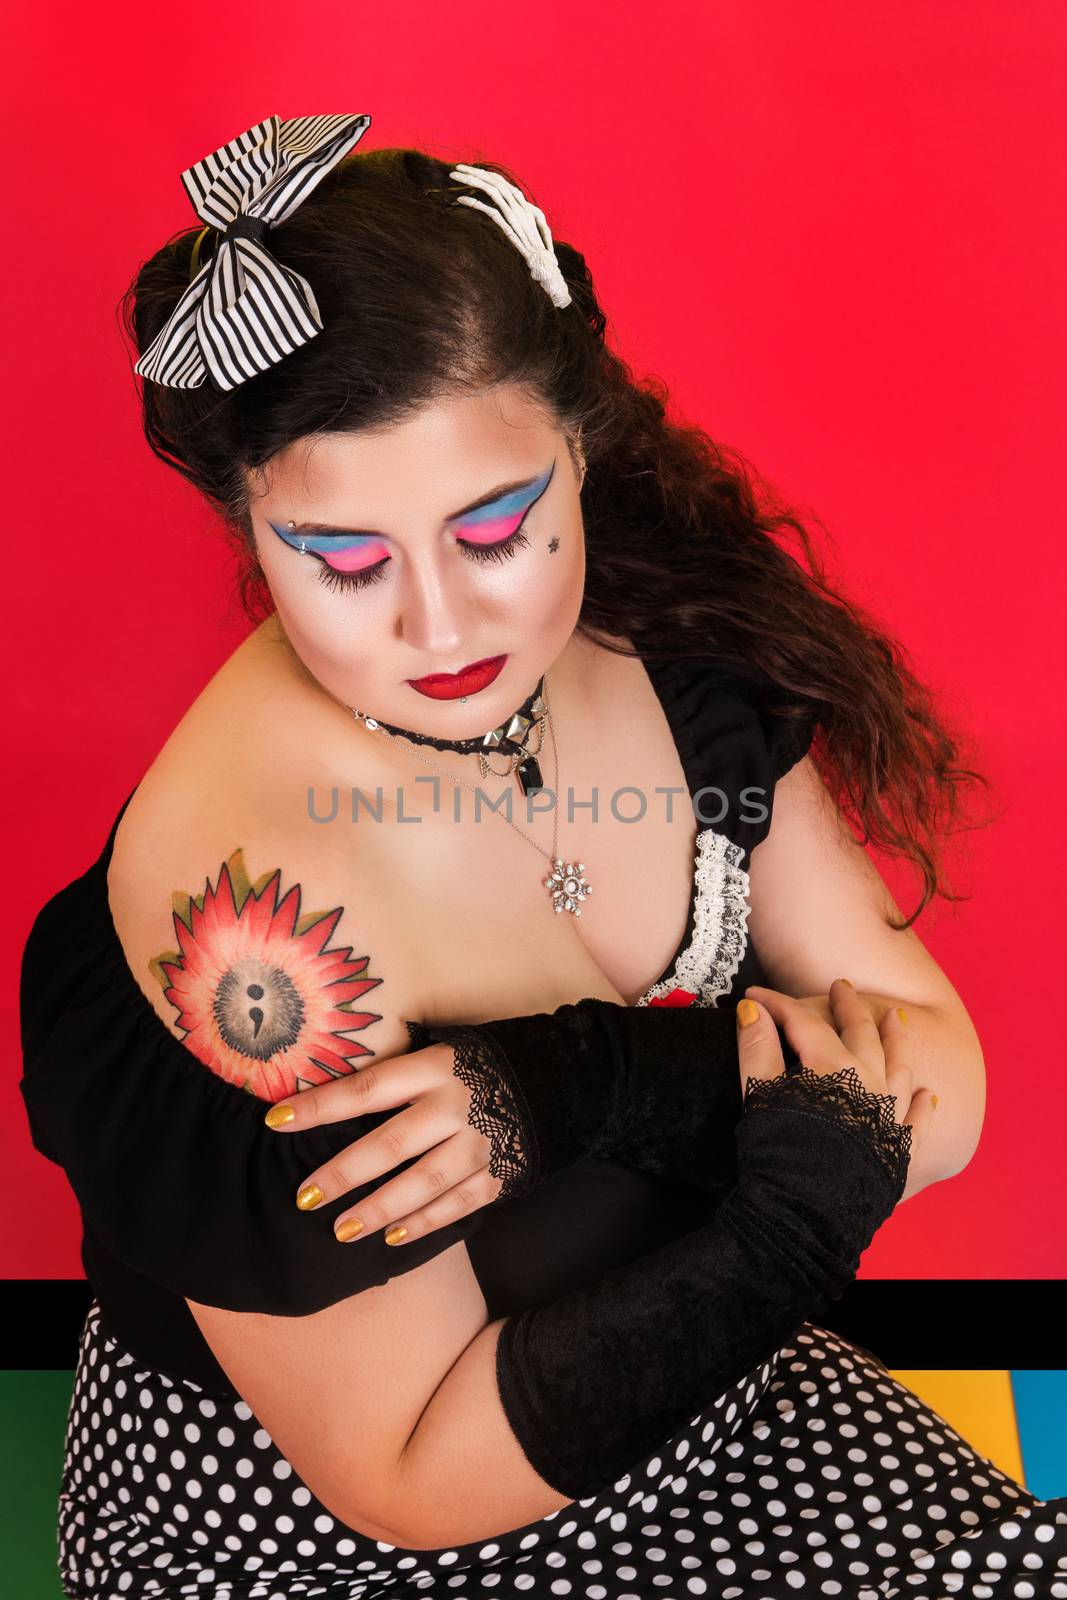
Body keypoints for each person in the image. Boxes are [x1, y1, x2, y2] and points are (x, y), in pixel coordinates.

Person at [18, 113, 1067, 1598]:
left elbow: (943, 1084)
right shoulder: (260, 929)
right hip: (352, 1538)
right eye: (345, 559)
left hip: (715, 1403)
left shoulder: (676, 637)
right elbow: (408, 1476)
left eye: (496, 526)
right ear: (249, 522)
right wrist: (787, 1225)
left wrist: (587, 1088)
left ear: (580, 447)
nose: (441, 630)